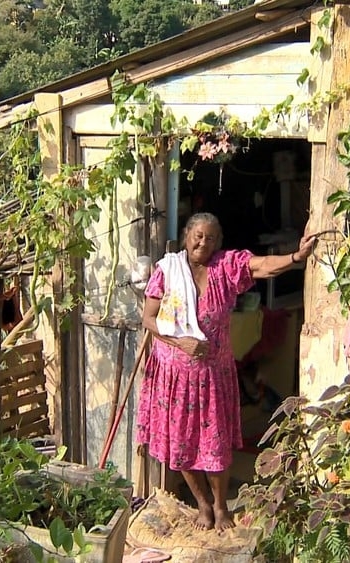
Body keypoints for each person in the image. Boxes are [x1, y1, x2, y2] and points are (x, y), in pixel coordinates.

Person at [135, 212, 317, 531]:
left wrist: (295, 257)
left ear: (219, 242)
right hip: (174, 378)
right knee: (181, 446)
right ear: (187, 236)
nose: (203, 242)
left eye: (211, 237)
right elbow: (149, 319)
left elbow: (260, 266)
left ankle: (221, 508)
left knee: (214, 446)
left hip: (213, 377)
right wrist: (181, 343)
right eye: (198, 235)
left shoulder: (225, 267)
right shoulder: (167, 271)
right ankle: (203, 506)